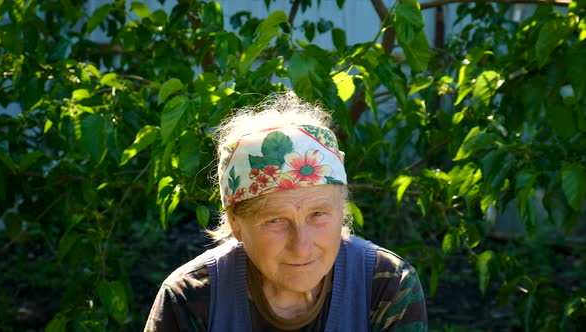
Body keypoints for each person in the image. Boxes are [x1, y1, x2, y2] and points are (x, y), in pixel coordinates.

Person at [144, 92, 427, 331]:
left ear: (341, 210)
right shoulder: (191, 297)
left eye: (318, 214)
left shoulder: (386, 286)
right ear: (236, 223)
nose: (301, 246)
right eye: (275, 220)